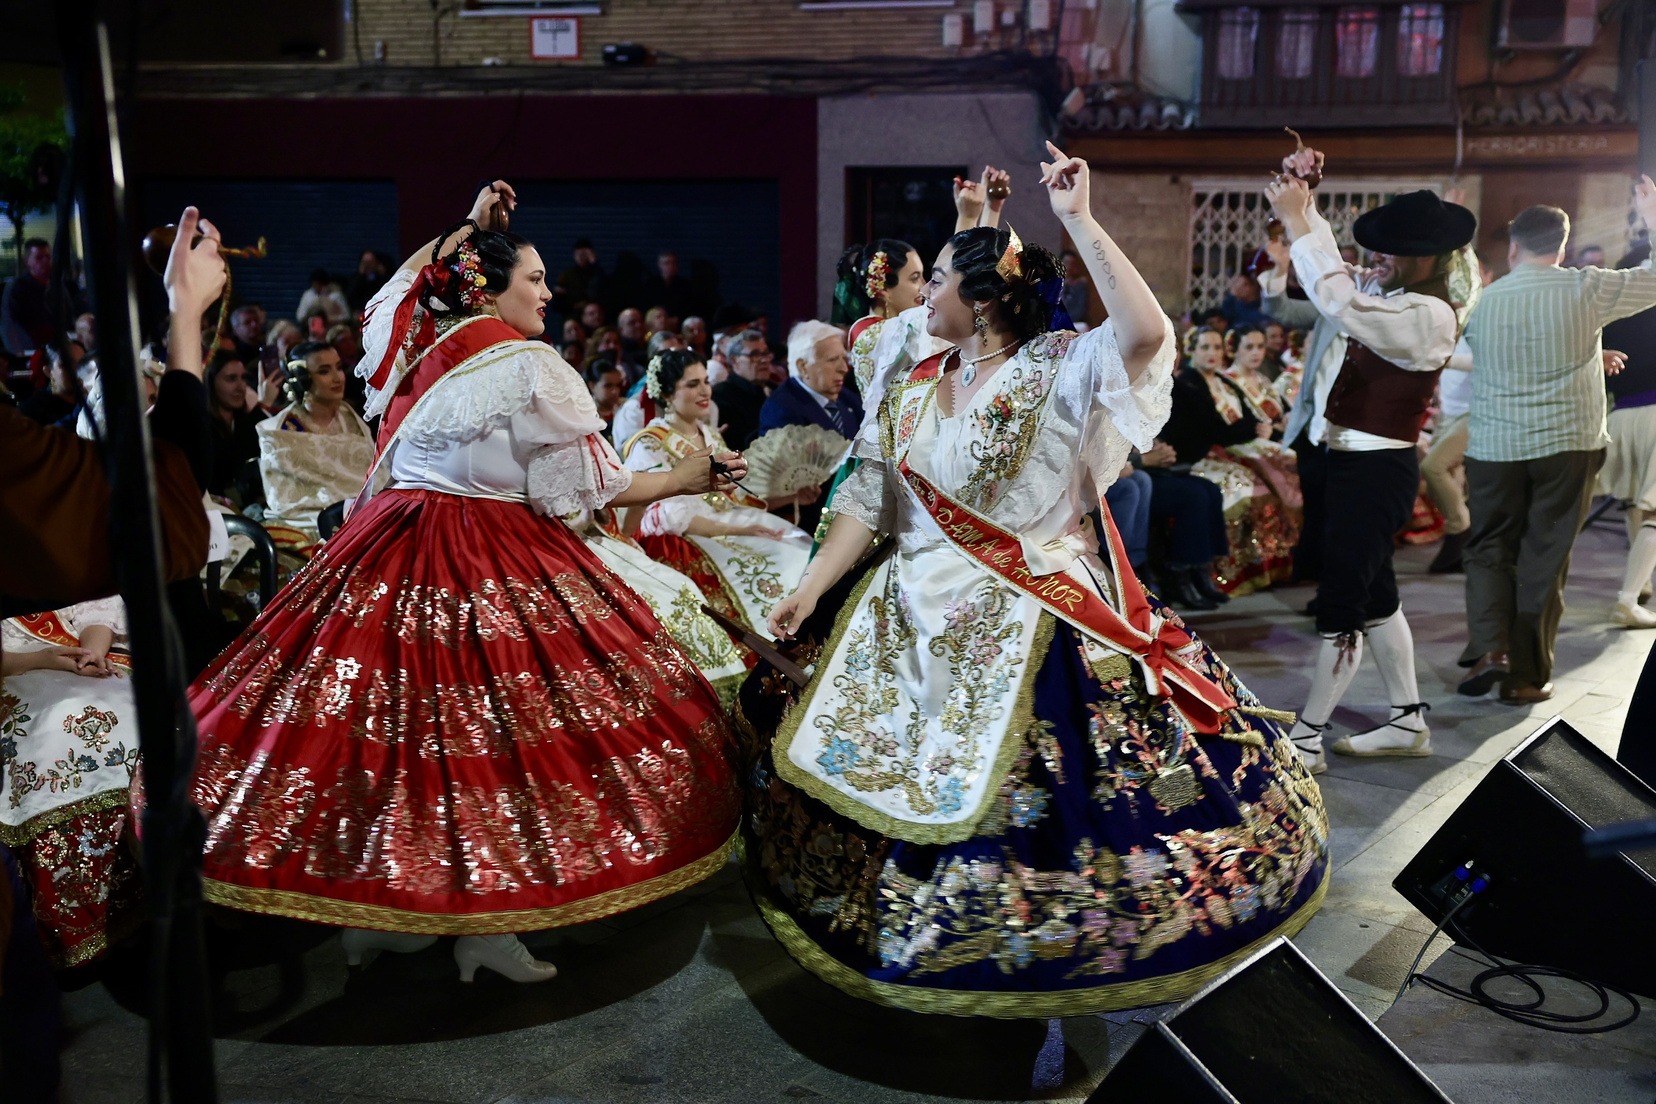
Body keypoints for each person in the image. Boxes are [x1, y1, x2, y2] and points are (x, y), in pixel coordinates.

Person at [741, 144, 1326, 1018]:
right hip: (905, 611)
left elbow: (1146, 337)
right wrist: (814, 587)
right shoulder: (911, 386)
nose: (923, 294)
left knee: (1034, 801)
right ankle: (900, 933)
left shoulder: (1061, 367)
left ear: (979, 302)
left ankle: (1019, 958)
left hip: (1027, 607)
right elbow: (867, 494)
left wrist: (1080, 220)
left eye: (937, 279)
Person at [181, 182, 750, 984]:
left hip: (384, 549)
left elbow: (390, 299)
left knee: (395, 740)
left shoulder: (414, 352)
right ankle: (485, 921)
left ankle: (389, 916)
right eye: (536, 280)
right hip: (486, 556)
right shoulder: (533, 366)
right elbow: (582, 491)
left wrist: (462, 232)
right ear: (488, 287)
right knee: (495, 744)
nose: (550, 293)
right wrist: (687, 475)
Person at [1266, 150, 1476, 768]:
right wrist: (1305, 200)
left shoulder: (1428, 313)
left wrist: (1301, 217)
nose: (1380, 259)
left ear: (1427, 258)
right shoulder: (1403, 295)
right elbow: (1337, 282)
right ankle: (1408, 722)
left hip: (1376, 470)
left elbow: (1338, 300)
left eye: (1393, 250)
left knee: (1343, 604)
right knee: (1377, 597)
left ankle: (1308, 735)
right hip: (1352, 463)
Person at [1458, 190, 1656, 697]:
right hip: (1566, 445)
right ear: (1562, 251)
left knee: (1488, 548)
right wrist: (1653, 220)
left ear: (1512, 250)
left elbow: (1508, 354)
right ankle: (1525, 678)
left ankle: (1491, 645)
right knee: (1544, 555)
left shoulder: (1484, 301)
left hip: (1495, 446)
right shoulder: (1583, 290)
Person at [621, 349, 811, 638]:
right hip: (686, 537)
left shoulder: (709, 435)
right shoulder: (650, 444)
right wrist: (742, 530)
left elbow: (731, 497)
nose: (704, 391)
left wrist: (792, 497)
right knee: (783, 562)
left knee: (803, 550)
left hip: (729, 522)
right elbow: (671, 517)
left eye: (706, 381)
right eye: (692, 384)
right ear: (668, 394)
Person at [1, 598, 141, 968]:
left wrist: (89, 653)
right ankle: (82, 924)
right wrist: (41, 660)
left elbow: (94, 602)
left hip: (83, 655)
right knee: (55, 739)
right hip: (14, 668)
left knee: (134, 716)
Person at [1167, 326, 1294, 600]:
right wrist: (1252, 429)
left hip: (1219, 449)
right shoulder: (1189, 382)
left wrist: (1259, 427)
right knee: (1233, 487)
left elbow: (1247, 417)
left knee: (1268, 481)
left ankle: (1256, 566)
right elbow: (1212, 429)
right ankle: (1219, 572)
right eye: (1204, 347)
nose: (1212, 354)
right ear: (1192, 352)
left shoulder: (1224, 383)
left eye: (1216, 347)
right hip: (1197, 456)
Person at [254, 341, 375, 549]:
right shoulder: (280, 431)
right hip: (312, 525)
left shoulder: (352, 420)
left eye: (338, 367)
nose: (338, 377)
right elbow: (285, 500)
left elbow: (375, 477)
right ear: (303, 380)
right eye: (324, 371)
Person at [1601, 242, 1656, 626]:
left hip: (1620, 415)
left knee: (1636, 501)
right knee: (1654, 508)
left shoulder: (1613, 311)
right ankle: (1629, 597)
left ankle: (1643, 583)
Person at [1421, 339, 1474, 573]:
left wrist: (1443, 361)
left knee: (1432, 468)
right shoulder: (1449, 325)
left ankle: (1461, 529)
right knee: (1436, 487)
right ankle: (1468, 541)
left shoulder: (1480, 318)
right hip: (1448, 412)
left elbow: (1485, 362)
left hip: (1474, 411)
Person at [758, 320, 862, 439]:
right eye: (832, 360)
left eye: (843, 358)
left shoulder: (849, 399)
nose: (844, 369)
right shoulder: (780, 410)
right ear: (803, 367)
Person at [708, 328, 775, 451]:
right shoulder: (721, 396)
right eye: (754, 355)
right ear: (734, 360)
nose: (764, 360)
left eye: (765, 354)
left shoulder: (777, 391)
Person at [583, 356, 625, 436]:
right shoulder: (585, 414)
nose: (615, 391)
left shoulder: (626, 408)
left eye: (618, 385)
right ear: (592, 386)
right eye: (608, 386)